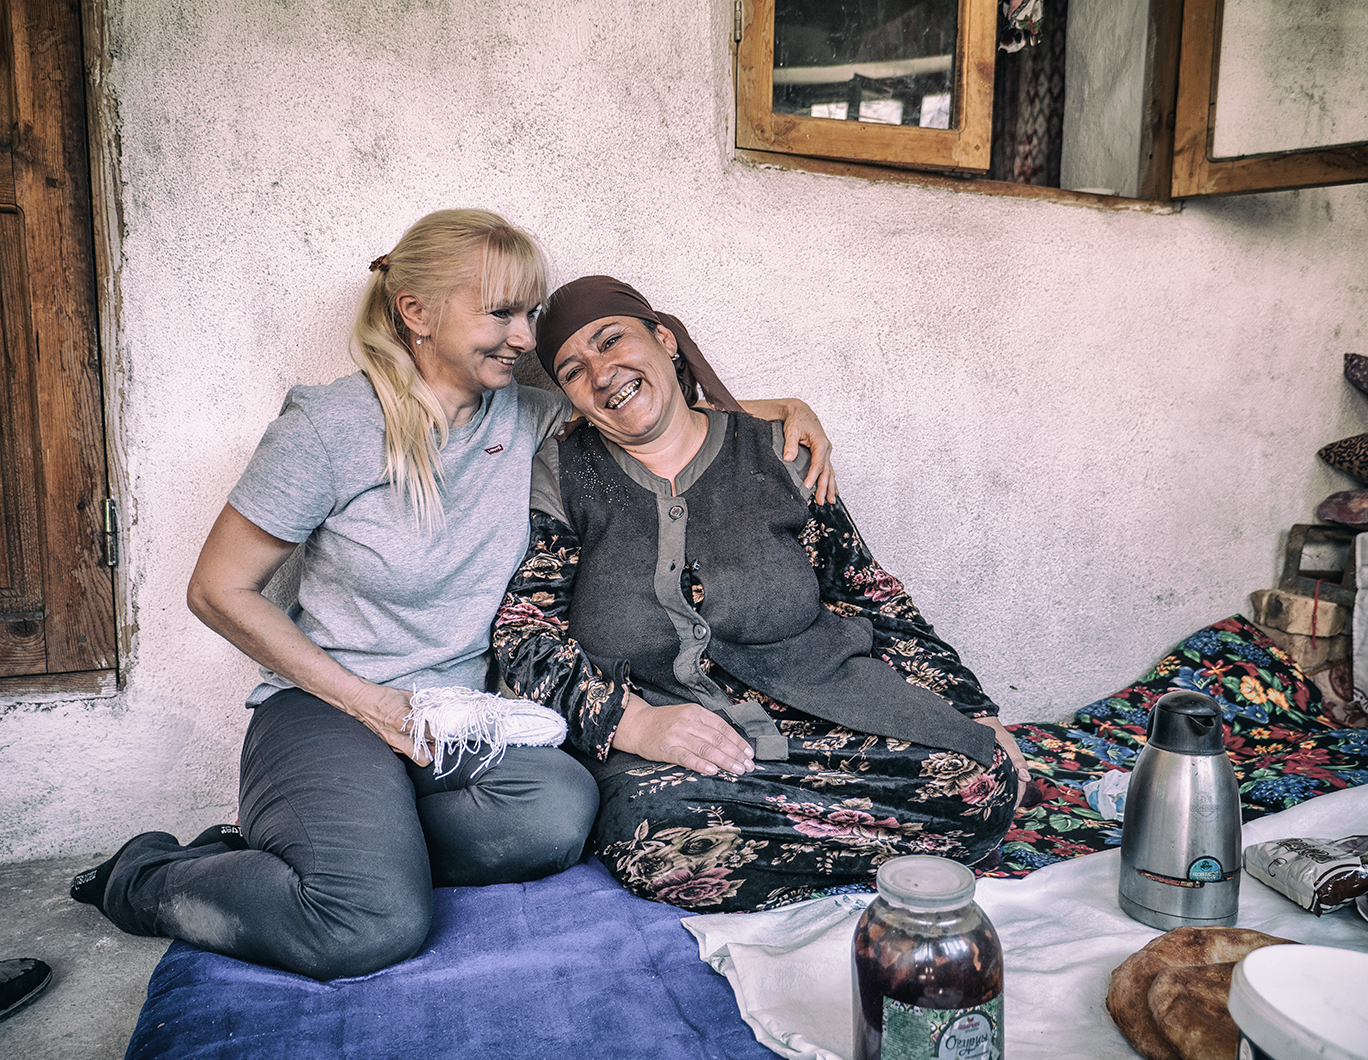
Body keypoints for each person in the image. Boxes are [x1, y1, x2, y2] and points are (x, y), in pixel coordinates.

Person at [69, 212, 834, 979]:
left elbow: (647, 411)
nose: (525, 339)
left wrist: (781, 412)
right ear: (417, 312)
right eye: (501, 314)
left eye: (529, 314)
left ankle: (345, 850)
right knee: (365, 927)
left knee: (559, 814)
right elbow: (217, 590)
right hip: (329, 706)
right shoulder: (330, 426)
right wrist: (373, 705)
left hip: (462, 718)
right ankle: (147, 877)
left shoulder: (532, 420)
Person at [492, 276, 1028, 913]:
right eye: (574, 371)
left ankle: (773, 861)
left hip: (830, 716)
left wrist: (971, 706)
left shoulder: (778, 450)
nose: (603, 374)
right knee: (654, 833)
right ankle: (878, 852)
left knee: (980, 781)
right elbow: (524, 635)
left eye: (612, 342)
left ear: (664, 339)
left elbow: (869, 594)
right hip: (678, 753)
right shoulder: (562, 473)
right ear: (572, 398)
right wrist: (633, 722)